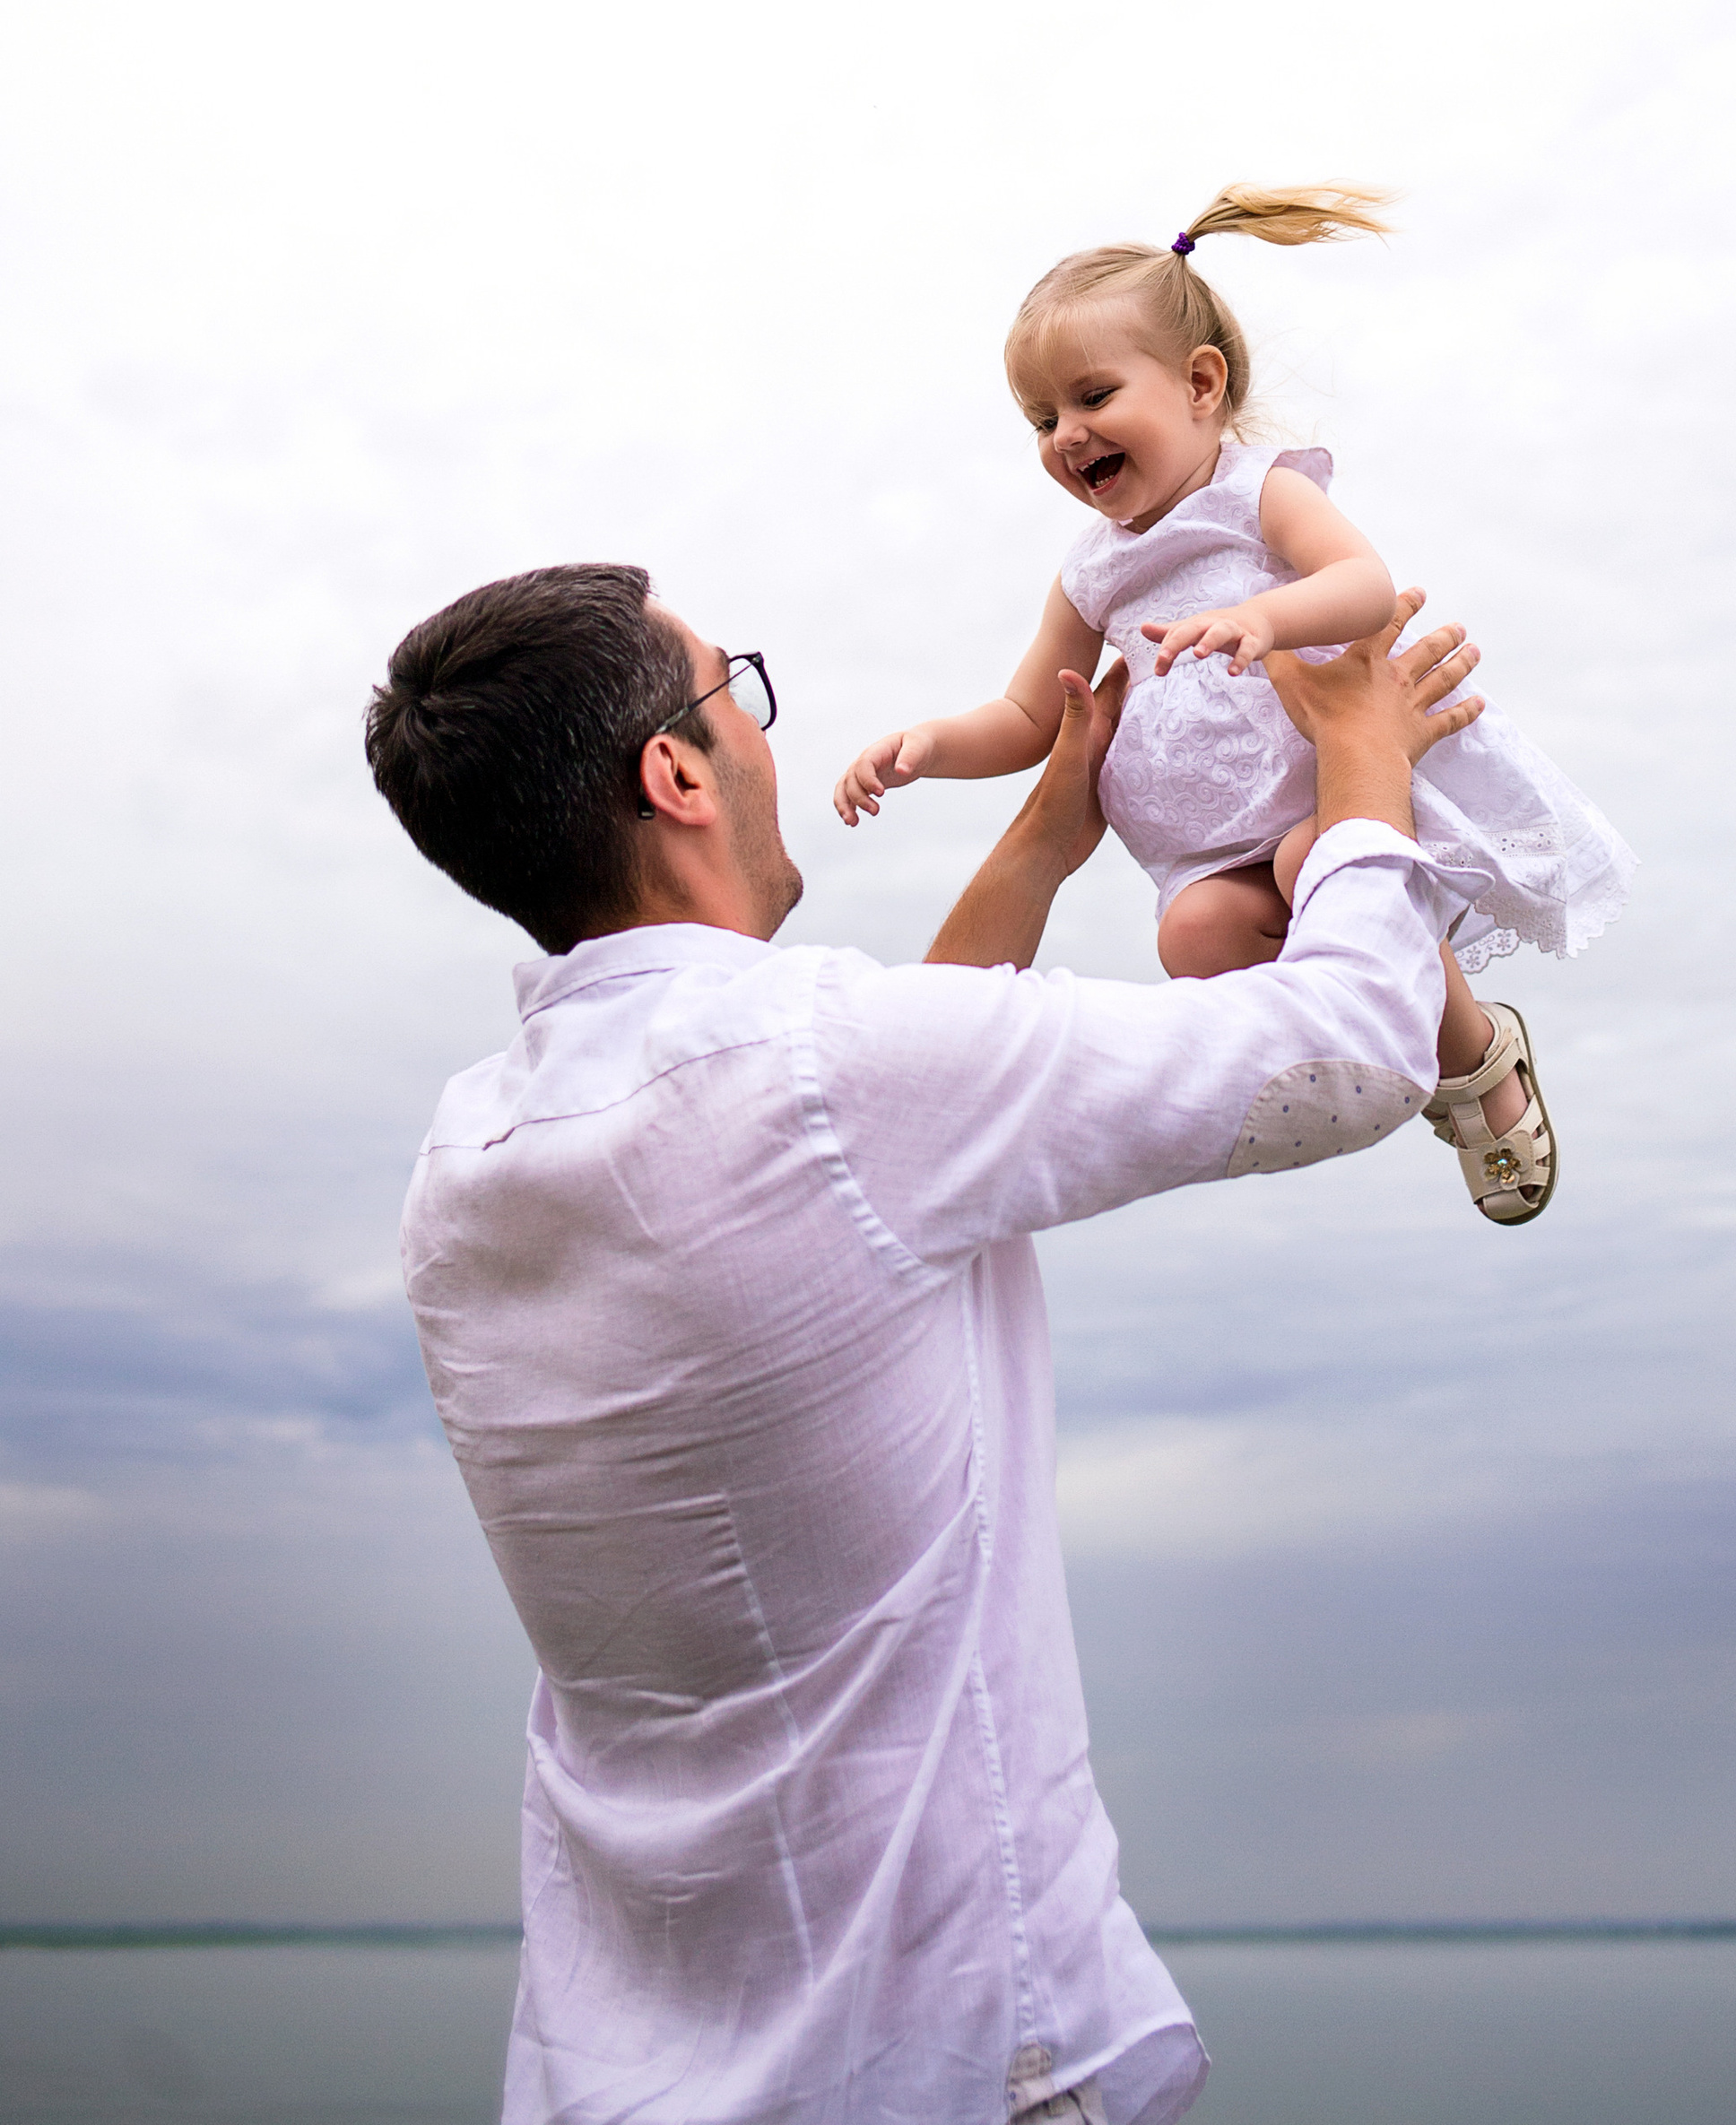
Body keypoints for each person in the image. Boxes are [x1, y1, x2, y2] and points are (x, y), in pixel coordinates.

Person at [369, 558, 1498, 2125]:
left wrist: (1045, 833)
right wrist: (1366, 761)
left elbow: (852, 1180)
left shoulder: (465, 1166)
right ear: (676, 774)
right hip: (947, 2057)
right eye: (735, 692)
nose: (763, 733)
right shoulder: (829, 1072)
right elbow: (1349, 1052)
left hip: (612, 2078)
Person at [834, 185, 1635, 1221]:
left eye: (1091, 397)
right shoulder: (1090, 572)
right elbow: (1029, 718)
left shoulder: (1257, 494)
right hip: (1208, 847)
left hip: (1320, 797)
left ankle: (1472, 1062)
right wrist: (925, 746)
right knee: (1194, 937)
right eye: (1042, 419)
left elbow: (1363, 584)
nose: (1066, 435)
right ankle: (1362, 1028)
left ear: (1199, 384)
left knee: (1315, 862)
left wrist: (1264, 616)